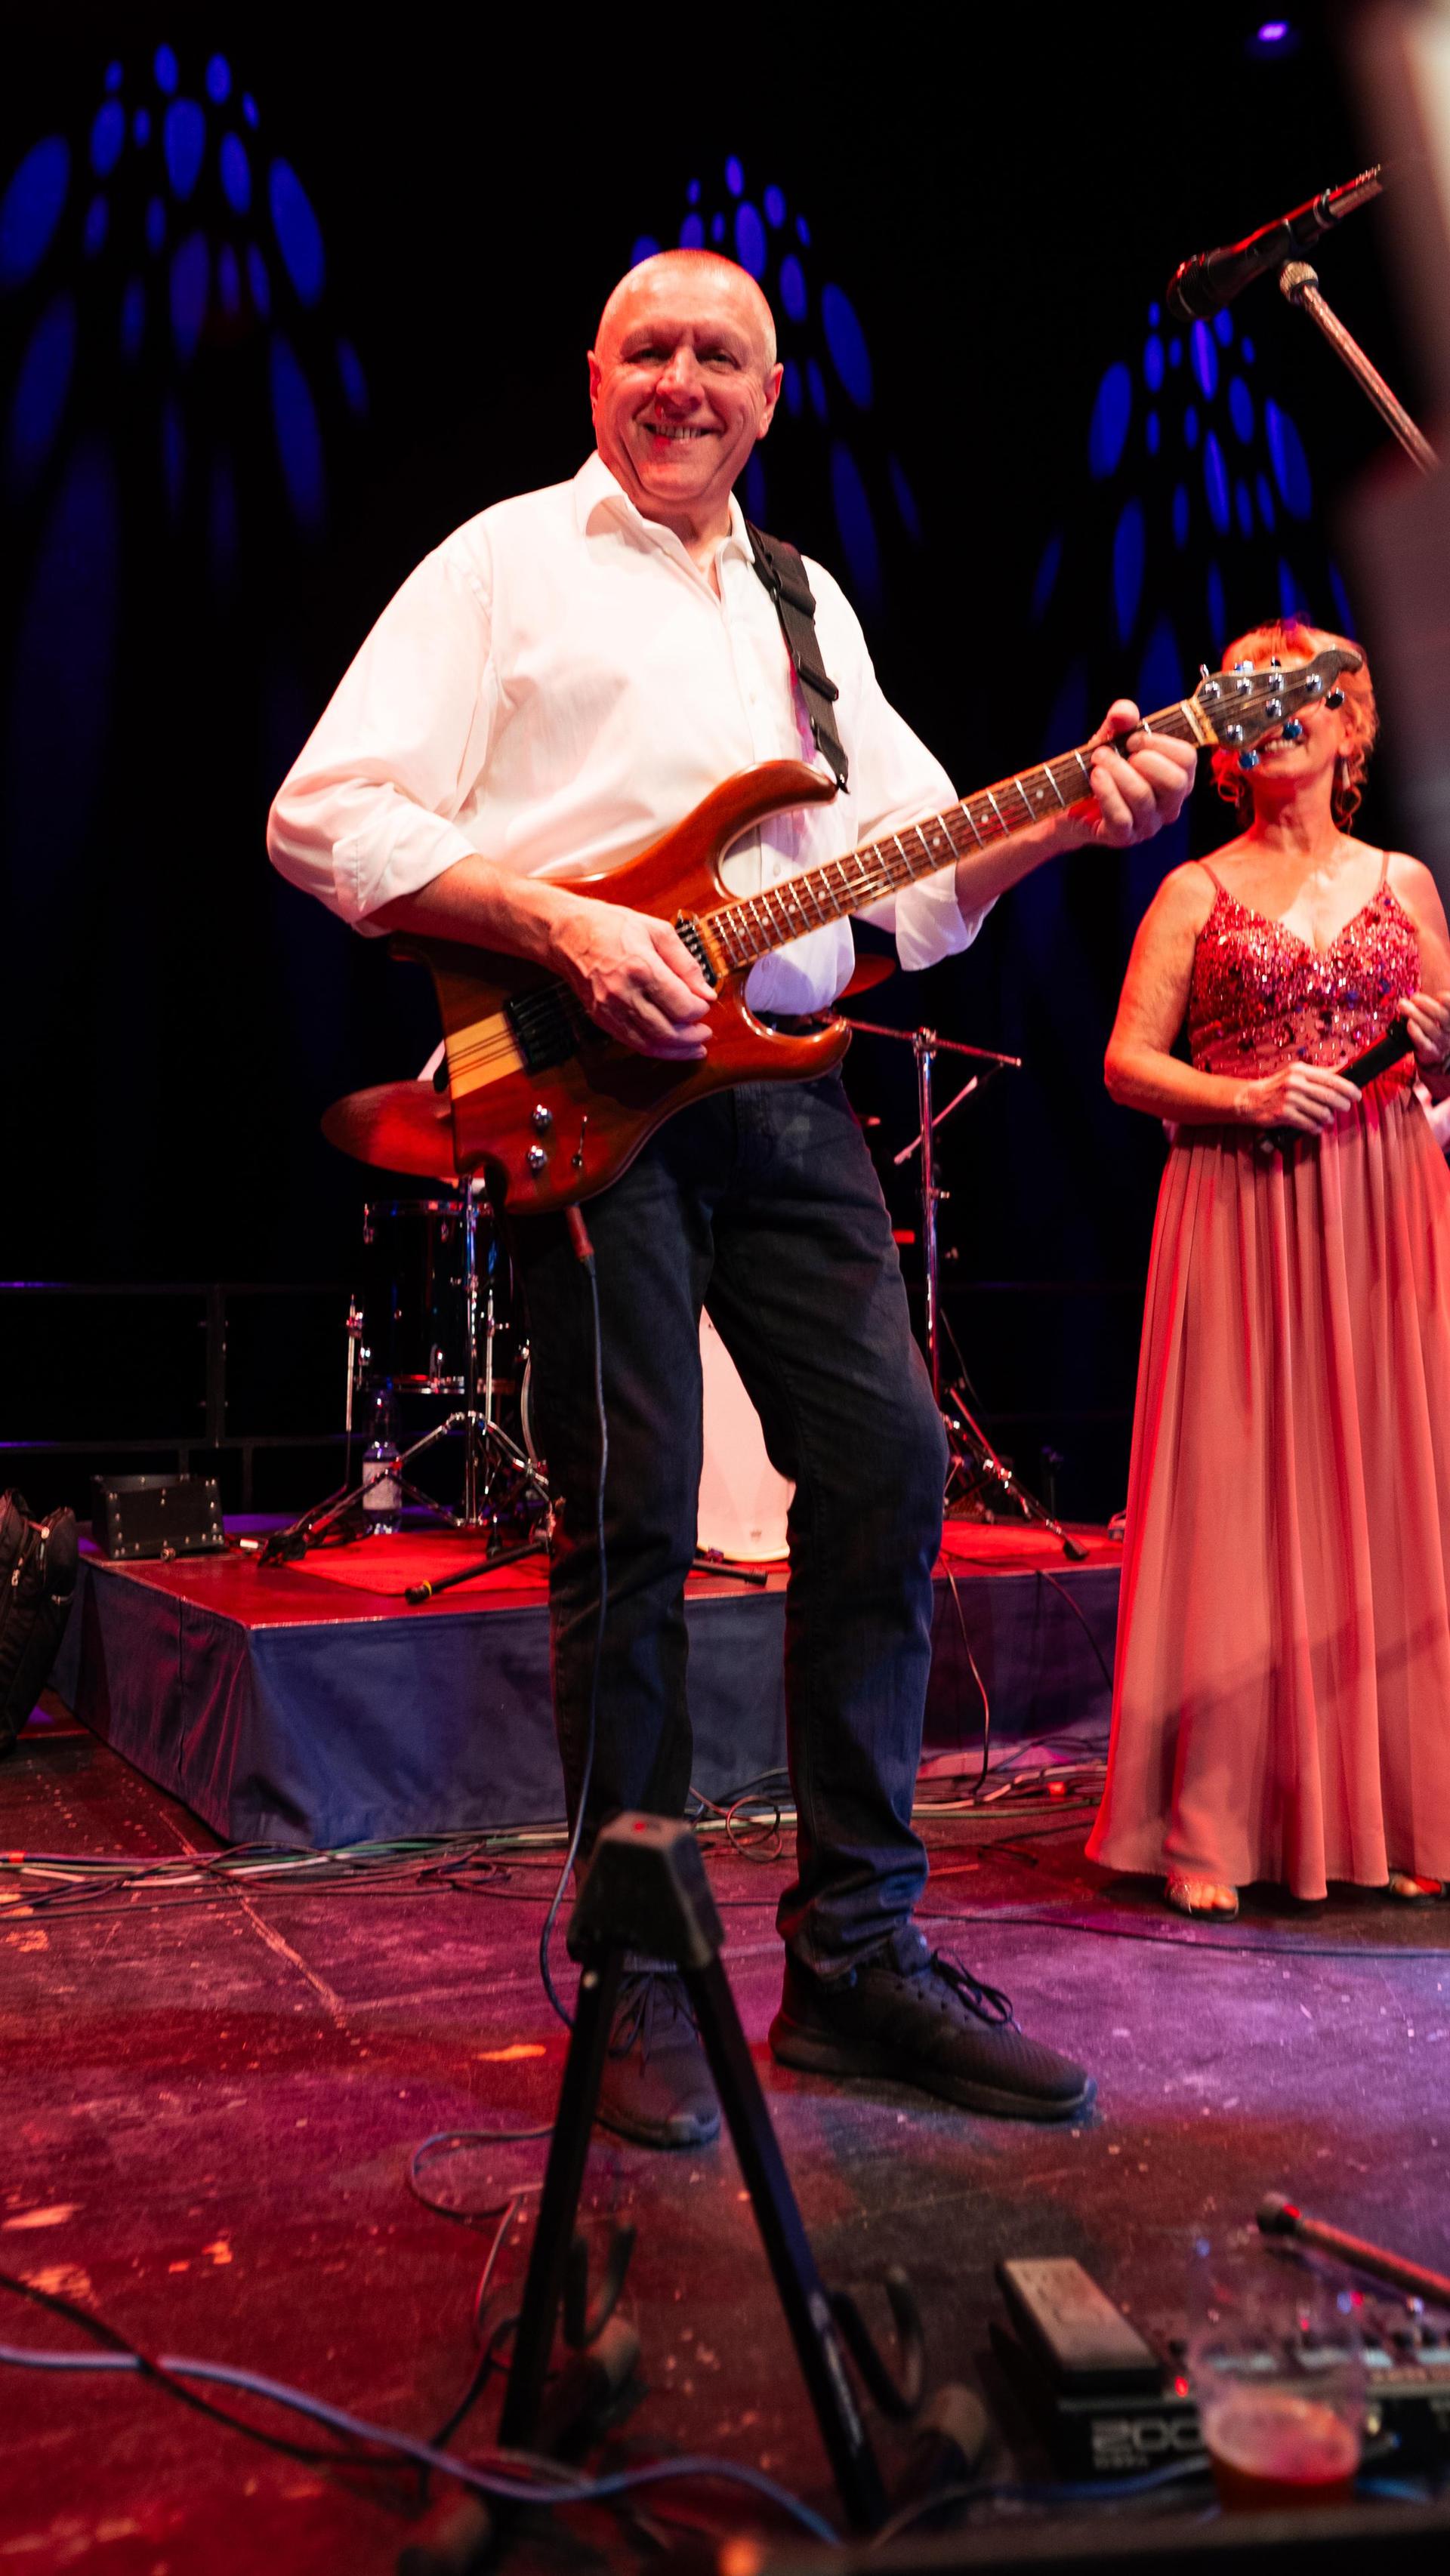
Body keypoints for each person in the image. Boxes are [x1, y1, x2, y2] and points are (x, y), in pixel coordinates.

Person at [269, 249, 1195, 2144]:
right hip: (579, 1088)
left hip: (780, 1091)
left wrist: (1061, 822)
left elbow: (910, 885)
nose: (684, 382)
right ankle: (638, 1976)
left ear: (775, 396)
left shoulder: (806, 602)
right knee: (632, 1523)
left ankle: (857, 1957)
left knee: (890, 1472)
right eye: (651, 351)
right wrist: (561, 926)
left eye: (722, 357)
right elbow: (325, 811)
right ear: (594, 373)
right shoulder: (503, 564)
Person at [1088, 618, 1450, 1918]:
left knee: (1392, 1482)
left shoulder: (1409, 884)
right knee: (1241, 1493)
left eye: (1313, 691)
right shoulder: (1195, 889)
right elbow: (1128, 1065)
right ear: (1228, 739)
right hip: (1239, 1204)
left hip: (1387, 1201)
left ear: (1355, 726)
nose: (1279, 705)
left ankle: (1404, 1807)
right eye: (1247, 690)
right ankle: (1222, 1821)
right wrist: (1244, 1102)